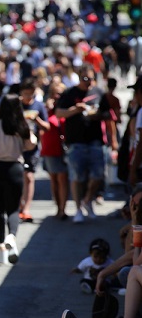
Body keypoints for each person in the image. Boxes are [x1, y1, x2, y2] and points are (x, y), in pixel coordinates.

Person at [0, 94, 37, 265]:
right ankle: (12, 236)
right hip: (15, 169)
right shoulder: (21, 126)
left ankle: (2, 246)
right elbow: (31, 144)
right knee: (13, 209)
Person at [55, 64, 109, 223]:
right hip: (76, 142)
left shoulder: (99, 92)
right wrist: (75, 110)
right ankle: (79, 208)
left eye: (91, 78)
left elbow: (108, 114)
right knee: (77, 177)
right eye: (85, 79)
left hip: (95, 141)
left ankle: (88, 200)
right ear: (79, 78)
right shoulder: (69, 93)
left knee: (98, 175)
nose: (89, 82)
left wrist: (97, 114)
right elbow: (59, 113)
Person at [19, 77, 50, 222]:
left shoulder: (38, 106)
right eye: (25, 94)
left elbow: (47, 126)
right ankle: (19, 204)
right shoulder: (17, 105)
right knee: (19, 176)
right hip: (17, 145)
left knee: (29, 176)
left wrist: (36, 119)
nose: (27, 97)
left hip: (32, 146)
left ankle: (27, 208)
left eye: (30, 94)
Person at [41, 82, 69, 220]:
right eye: (55, 93)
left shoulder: (66, 108)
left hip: (63, 149)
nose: (57, 96)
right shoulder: (46, 110)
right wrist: (48, 108)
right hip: (50, 148)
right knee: (54, 179)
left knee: (62, 179)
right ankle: (58, 208)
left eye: (60, 93)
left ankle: (63, 210)